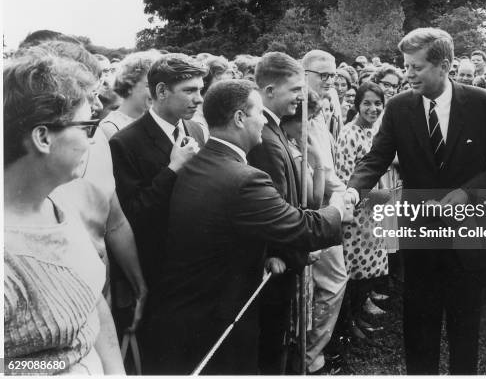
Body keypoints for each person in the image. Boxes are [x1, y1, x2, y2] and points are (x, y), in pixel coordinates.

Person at [345, 28, 486, 374]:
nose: (407, 75)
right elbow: (375, 158)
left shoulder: (481, 102)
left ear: (445, 66)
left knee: (464, 329)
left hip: (469, 236)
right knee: (419, 328)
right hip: (421, 237)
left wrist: (466, 192)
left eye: (416, 67)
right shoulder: (398, 108)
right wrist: (354, 188)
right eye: (405, 66)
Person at [144, 80, 345, 375]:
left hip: (185, 313)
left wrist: (266, 253)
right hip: (217, 321)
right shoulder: (244, 178)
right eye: (259, 113)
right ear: (239, 118)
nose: (264, 120)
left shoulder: (200, 161)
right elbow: (302, 228)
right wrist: (338, 208)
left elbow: (226, 228)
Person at [4, 50, 125, 374]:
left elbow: (90, 300)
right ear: (43, 137)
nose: (92, 140)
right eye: (86, 127)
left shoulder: (54, 205)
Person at [109, 54, 206, 356]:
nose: (199, 99)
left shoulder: (195, 130)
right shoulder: (125, 143)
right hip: (157, 272)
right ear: (162, 92)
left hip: (193, 266)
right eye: (189, 91)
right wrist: (173, 169)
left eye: (200, 90)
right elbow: (131, 215)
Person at [246, 52, 306, 374]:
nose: (301, 95)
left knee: (278, 337)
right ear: (269, 91)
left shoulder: (276, 129)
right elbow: (273, 207)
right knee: (271, 342)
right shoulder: (266, 139)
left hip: (285, 257)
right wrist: (279, 252)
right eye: (294, 89)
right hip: (276, 264)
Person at [302, 49, 349, 374]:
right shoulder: (300, 114)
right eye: (323, 75)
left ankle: (311, 353)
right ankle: (310, 358)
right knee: (332, 282)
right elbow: (319, 171)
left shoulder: (320, 112)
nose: (331, 81)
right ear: (303, 73)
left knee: (329, 284)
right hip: (315, 212)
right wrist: (344, 196)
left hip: (328, 207)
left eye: (333, 75)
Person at [335, 82, 388, 339]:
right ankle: (348, 325)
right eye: (367, 103)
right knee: (354, 275)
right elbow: (345, 180)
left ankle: (355, 317)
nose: (373, 108)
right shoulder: (349, 134)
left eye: (378, 103)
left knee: (368, 273)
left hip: (372, 214)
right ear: (357, 104)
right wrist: (377, 197)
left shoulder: (374, 131)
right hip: (354, 216)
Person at [100, 51, 159, 139]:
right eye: (149, 85)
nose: (157, 93)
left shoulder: (153, 121)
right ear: (130, 84)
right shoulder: (110, 128)